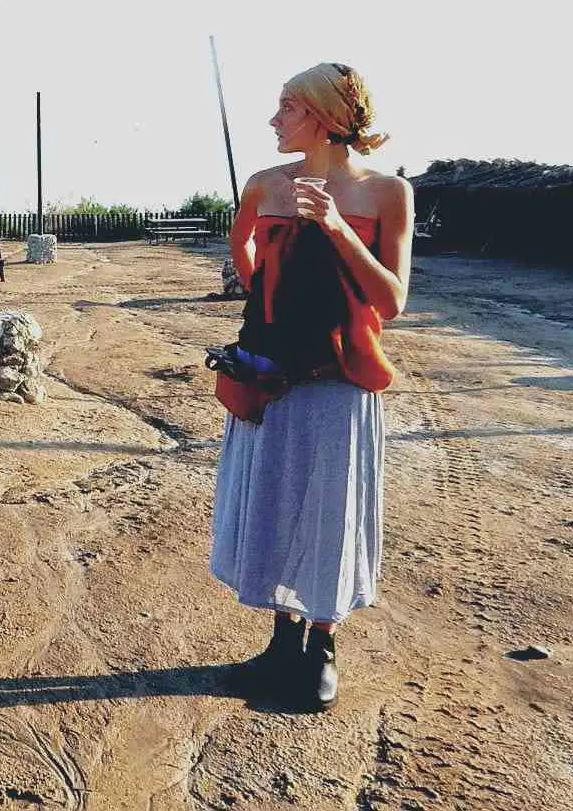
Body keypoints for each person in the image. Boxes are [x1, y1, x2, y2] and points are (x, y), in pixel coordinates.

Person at [212, 61, 414, 711]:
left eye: (288, 108)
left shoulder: (387, 192)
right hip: (270, 376)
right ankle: (281, 642)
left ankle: (321, 647)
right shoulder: (264, 184)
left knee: (329, 510)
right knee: (274, 503)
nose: (274, 120)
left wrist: (335, 225)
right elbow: (242, 245)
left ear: (325, 118)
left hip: (340, 381)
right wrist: (268, 294)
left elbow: (393, 300)